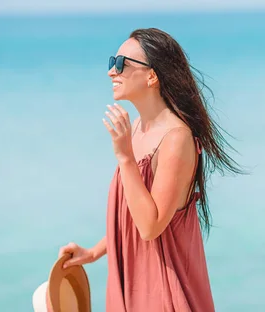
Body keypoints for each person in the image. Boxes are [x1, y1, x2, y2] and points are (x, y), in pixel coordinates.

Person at [33, 28, 244, 311]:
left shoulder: (176, 138)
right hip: (133, 285)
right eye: (112, 62)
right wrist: (94, 252)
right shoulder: (137, 129)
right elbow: (133, 211)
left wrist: (125, 157)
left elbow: (150, 226)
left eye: (120, 64)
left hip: (163, 291)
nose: (111, 72)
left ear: (151, 76)